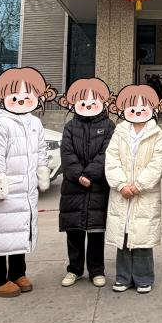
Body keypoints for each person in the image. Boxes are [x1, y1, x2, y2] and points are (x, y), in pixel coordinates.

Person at [0, 67, 54, 298]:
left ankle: (17, 273)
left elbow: (41, 150)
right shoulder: (1, 124)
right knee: (1, 231)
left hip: (27, 189)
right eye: (15, 96)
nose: (22, 100)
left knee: (21, 230)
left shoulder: (34, 122)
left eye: (27, 96)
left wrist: (43, 170)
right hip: (7, 189)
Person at [104, 84, 162, 293]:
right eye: (133, 107)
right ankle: (123, 278)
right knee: (122, 234)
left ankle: (143, 278)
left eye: (143, 107)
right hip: (121, 192)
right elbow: (111, 159)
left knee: (142, 236)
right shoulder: (120, 131)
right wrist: (121, 184)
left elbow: (158, 162)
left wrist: (139, 185)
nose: (138, 111)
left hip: (144, 193)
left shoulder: (156, 133)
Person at [58, 77, 116, 288]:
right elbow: (67, 153)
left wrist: (90, 174)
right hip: (73, 187)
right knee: (74, 231)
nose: (88, 106)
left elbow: (107, 153)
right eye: (83, 102)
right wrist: (77, 175)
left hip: (98, 186)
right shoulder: (70, 126)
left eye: (93, 102)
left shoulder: (109, 126)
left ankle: (96, 270)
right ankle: (74, 269)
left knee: (96, 231)